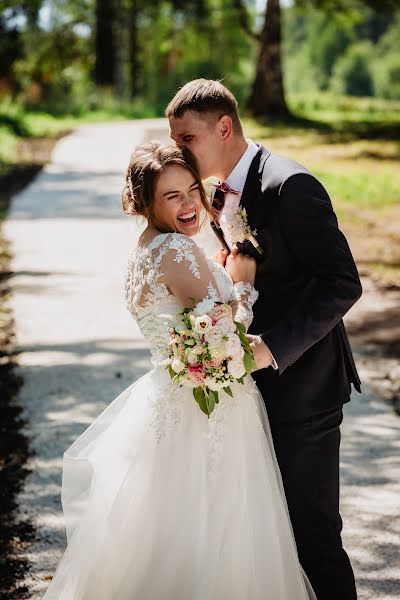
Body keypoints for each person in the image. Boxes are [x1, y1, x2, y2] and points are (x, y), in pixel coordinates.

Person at [41, 141, 316, 599]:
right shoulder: (175, 250)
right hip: (206, 410)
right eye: (172, 196)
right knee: (219, 533)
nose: (189, 203)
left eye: (191, 189)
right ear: (145, 202)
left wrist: (219, 274)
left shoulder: (144, 250)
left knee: (167, 530)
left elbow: (188, 309)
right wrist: (243, 283)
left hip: (168, 398)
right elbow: (224, 335)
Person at [166, 78, 362, 600]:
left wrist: (271, 348)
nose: (177, 151)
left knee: (313, 535)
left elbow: (343, 283)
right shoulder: (214, 193)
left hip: (305, 391)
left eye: (185, 139)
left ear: (223, 127)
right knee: (266, 537)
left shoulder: (292, 186)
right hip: (248, 395)